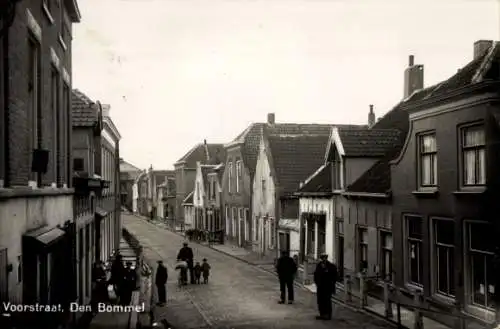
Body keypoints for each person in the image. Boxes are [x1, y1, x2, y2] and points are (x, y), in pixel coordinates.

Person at [313, 253, 338, 320]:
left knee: (327, 301)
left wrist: (332, 284)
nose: (323, 259)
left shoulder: (331, 266)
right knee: (320, 301)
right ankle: (322, 314)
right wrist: (317, 283)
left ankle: (328, 315)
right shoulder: (318, 266)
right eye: (322, 258)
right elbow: (316, 274)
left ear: (326, 258)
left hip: (327, 287)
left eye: (325, 258)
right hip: (320, 287)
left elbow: (334, 276)